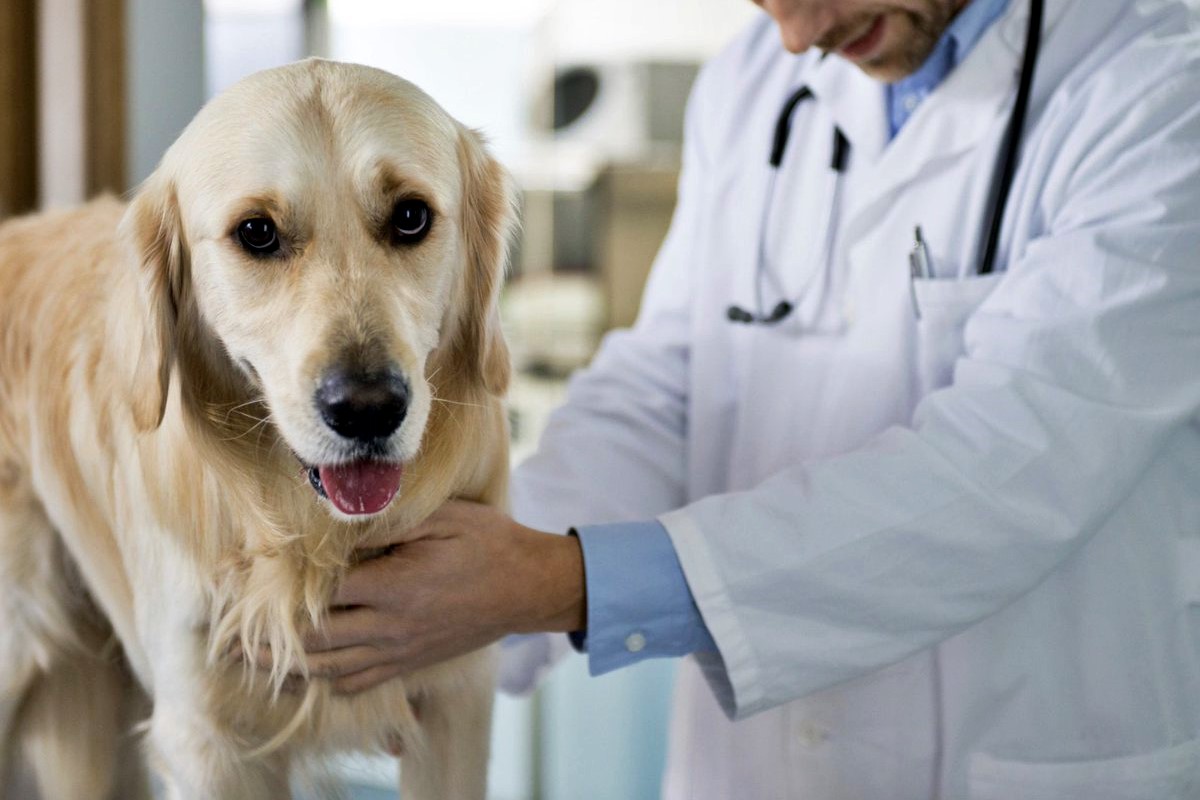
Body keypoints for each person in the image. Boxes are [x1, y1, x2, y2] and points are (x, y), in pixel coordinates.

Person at [292, 0, 1200, 796]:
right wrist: (446, 623)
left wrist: (557, 584)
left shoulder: (1160, 87)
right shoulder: (753, 83)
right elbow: (664, 388)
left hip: (1016, 754)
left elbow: (1009, 467)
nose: (799, 34)